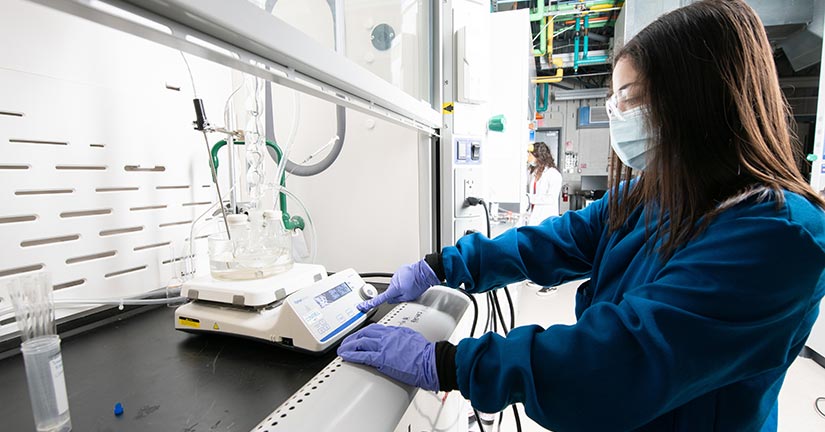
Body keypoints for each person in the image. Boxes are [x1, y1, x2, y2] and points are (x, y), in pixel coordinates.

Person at [339, 1, 825, 431]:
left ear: (694, 101)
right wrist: (443, 266)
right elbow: (557, 241)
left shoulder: (778, 239)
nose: (616, 114)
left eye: (629, 98)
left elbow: (618, 364)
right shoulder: (652, 193)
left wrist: (452, 364)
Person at [526, 141, 563, 226]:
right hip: (533, 217)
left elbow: (551, 198)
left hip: (546, 219)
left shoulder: (553, 174)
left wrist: (529, 198)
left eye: (530, 155)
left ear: (538, 156)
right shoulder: (534, 172)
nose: (528, 157)